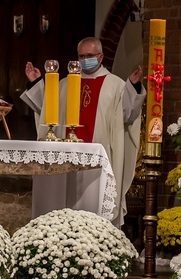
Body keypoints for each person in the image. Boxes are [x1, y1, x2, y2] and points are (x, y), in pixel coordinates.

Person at [21, 37, 146, 227]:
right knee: (65, 206)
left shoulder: (116, 85)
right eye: (81, 56)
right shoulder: (64, 84)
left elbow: (128, 113)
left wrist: (133, 85)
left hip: (99, 161)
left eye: (90, 55)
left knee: (95, 210)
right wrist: (36, 82)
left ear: (101, 56)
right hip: (67, 163)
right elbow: (48, 112)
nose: (85, 59)